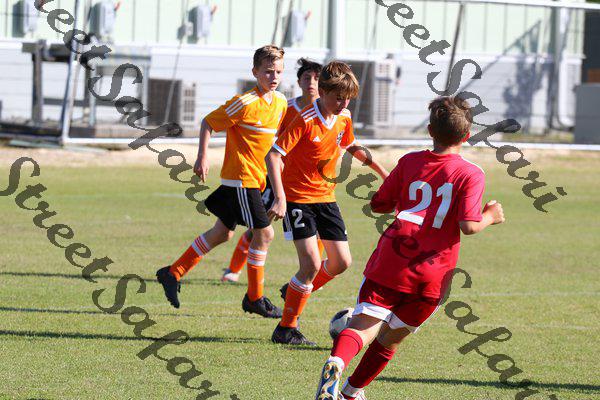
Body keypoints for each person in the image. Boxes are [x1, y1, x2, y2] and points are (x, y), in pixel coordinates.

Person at [314, 96, 506, 399]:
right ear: (467, 136)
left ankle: (337, 362)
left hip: (393, 259)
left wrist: (395, 196)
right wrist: (491, 216)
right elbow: (469, 225)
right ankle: (351, 392)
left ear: (430, 131)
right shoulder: (471, 173)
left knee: (364, 326)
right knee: (391, 339)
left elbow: (379, 204)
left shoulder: (410, 161)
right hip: (433, 273)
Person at [156, 45, 288, 319]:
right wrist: (202, 156)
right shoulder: (245, 102)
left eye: (278, 72)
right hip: (241, 179)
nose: (273, 77)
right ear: (255, 72)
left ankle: (173, 272)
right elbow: (208, 122)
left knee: (222, 233)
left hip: (256, 179)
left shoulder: (280, 102)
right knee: (264, 234)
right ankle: (255, 297)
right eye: (267, 71)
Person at [266, 61, 389, 345]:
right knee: (310, 264)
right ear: (322, 92)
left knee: (342, 262)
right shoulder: (305, 119)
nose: (343, 103)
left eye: (348, 99)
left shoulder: (343, 117)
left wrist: (383, 172)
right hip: (298, 199)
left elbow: (351, 145)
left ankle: (296, 288)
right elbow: (273, 155)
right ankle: (286, 328)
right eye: (338, 97)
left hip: (326, 198)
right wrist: (280, 197)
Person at [221, 58, 326, 283]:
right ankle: (233, 270)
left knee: (316, 229)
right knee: (260, 226)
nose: (311, 82)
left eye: (317, 78)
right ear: (299, 81)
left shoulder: (328, 112)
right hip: (278, 178)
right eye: (307, 77)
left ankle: (311, 276)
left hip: (308, 182)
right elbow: (271, 138)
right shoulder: (287, 107)